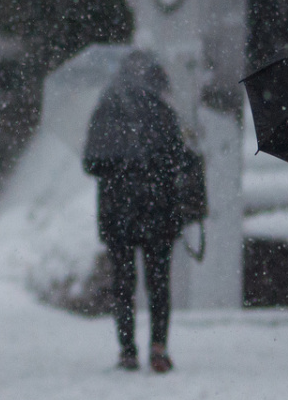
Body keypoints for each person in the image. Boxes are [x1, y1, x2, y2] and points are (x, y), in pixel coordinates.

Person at [81, 51, 201, 373]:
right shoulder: (163, 112)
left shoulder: (104, 112)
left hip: (117, 212)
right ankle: (159, 348)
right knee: (158, 282)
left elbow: (90, 163)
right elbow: (179, 160)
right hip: (158, 210)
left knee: (123, 283)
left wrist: (118, 166)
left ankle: (127, 351)